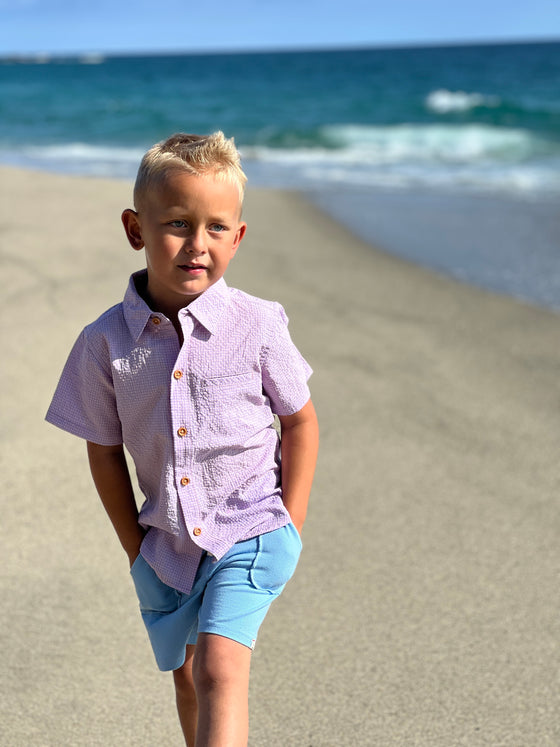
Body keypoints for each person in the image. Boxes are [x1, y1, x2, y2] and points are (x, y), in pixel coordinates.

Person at [45, 131, 319, 746]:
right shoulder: (104, 342)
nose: (198, 245)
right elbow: (101, 446)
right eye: (177, 224)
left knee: (222, 667)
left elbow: (300, 421)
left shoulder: (258, 324)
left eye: (216, 228)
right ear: (135, 228)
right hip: (166, 545)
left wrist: (291, 522)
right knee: (189, 676)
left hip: (252, 528)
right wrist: (134, 547)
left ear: (238, 237)